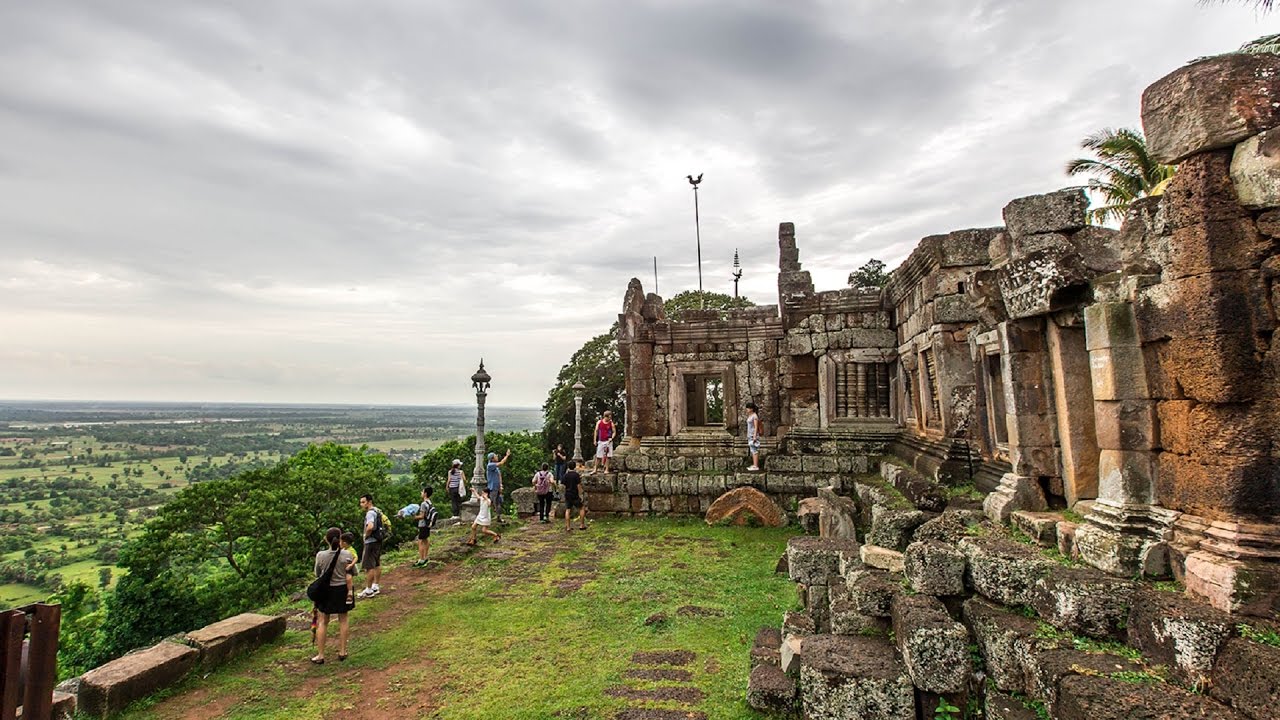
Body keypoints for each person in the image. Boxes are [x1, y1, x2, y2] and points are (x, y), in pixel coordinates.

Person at [311, 527, 355, 664]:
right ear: (340, 538)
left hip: (326, 591)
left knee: (323, 621)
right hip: (342, 589)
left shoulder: (320, 555)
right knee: (343, 619)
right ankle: (342, 651)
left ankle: (321, 655)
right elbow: (353, 571)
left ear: (326, 539)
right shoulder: (347, 554)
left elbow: (317, 573)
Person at [357, 494, 383, 599]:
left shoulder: (370, 513)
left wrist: (365, 535)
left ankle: (368, 589)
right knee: (377, 563)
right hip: (378, 540)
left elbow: (370, 526)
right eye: (361, 502)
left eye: (363, 502)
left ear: (369, 502)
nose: (361, 504)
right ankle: (375, 585)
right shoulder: (377, 511)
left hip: (371, 541)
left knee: (369, 566)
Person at [486, 449, 511, 525]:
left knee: (498, 502)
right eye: (495, 456)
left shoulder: (495, 467)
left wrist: (500, 485)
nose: (497, 457)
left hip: (497, 487)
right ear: (492, 458)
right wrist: (507, 455)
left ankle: (498, 517)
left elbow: (499, 476)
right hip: (492, 487)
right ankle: (486, 517)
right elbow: (501, 463)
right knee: (492, 502)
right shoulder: (490, 465)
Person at [412, 487, 435, 567]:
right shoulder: (429, 502)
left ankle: (421, 559)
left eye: (422, 492)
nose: (421, 493)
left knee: (421, 541)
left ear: (425, 493)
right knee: (426, 539)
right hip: (428, 524)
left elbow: (422, 516)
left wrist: (414, 517)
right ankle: (425, 557)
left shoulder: (423, 504)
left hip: (423, 524)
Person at [562, 461, 587, 531]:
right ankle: (581, 524)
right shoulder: (576, 475)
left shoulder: (565, 475)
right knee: (581, 508)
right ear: (575, 467)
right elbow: (578, 485)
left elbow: (563, 486)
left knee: (568, 510)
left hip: (568, 494)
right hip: (575, 494)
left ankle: (568, 526)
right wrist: (581, 494)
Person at [339, 531, 359, 604]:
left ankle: (350, 592)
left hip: (349, 567)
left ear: (344, 543)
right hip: (344, 568)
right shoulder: (343, 550)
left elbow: (356, 557)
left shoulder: (351, 550)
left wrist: (351, 565)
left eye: (340, 542)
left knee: (348, 578)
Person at [745, 402, 762, 471]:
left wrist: (755, 435)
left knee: (754, 450)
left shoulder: (754, 416)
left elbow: (756, 426)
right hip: (750, 434)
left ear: (751, 409)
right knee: (752, 449)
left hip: (753, 435)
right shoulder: (750, 416)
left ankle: (756, 466)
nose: (747, 409)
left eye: (748, 408)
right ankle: (754, 464)